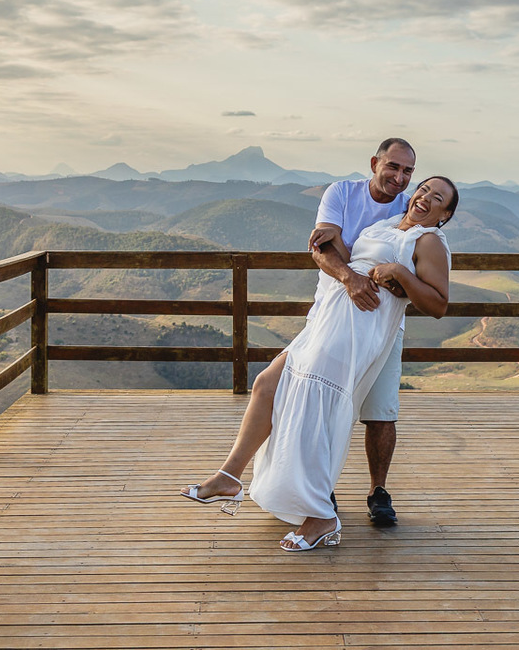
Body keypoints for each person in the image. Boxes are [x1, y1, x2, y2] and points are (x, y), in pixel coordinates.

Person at [180, 176, 459, 551]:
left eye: (436, 198)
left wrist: (402, 275)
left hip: (358, 329)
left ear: (445, 214)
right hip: (328, 316)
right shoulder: (388, 224)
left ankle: (321, 516)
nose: (424, 196)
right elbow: (340, 250)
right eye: (423, 189)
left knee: (316, 411)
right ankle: (228, 476)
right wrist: (332, 248)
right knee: (268, 383)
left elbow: (439, 304)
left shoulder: (429, 241)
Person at [308, 138, 416, 527]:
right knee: (325, 406)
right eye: (393, 167)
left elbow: (413, 269)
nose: (399, 177)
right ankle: (322, 488)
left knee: (382, 412)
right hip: (333, 318)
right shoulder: (342, 193)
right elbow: (321, 247)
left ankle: (378, 491)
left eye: (407, 172)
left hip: (385, 325)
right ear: (374, 163)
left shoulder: (410, 208)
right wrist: (350, 277)